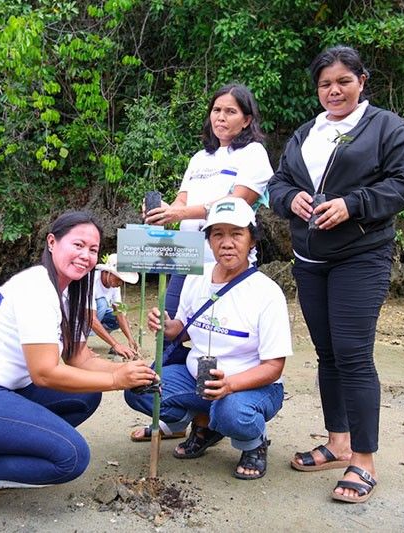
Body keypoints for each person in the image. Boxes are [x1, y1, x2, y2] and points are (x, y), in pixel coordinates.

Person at [0, 211, 157, 526]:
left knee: (86, 396)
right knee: (71, 458)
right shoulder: (36, 287)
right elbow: (44, 373)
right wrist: (116, 378)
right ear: (52, 242)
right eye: (78, 244)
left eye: (92, 250)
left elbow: (80, 359)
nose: (85, 255)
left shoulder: (66, 292)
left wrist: (130, 374)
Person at [267, 45, 404, 503]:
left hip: (361, 255)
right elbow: (278, 182)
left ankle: (364, 460)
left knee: (354, 354)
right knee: (328, 354)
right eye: (325, 84)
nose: (333, 91)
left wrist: (353, 203)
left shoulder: (386, 128)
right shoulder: (306, 132)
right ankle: (338, 443)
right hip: (310, 259)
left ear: (362, 80)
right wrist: (289, 198)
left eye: (343, 82)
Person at [126, 197, 293, 480]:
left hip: (252, 387)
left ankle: (254, 443)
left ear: (252, 240)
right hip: (197, 379)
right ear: (209, 240)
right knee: (138, 389)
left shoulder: (267, 293)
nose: (226, 242)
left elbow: (273, 367)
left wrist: (230, 385)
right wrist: (167, 326)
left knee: (231, 411)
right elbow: (184, 328)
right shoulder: (197, 278)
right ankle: (204, 424)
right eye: (218, 234)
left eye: (236, 234)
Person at [142, 83, 274, 365]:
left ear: (247, 119)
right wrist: (163, 211)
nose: (221, 117)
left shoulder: (254, 154)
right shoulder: (199, 158)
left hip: (227, 261)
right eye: (216, 110)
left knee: (216, 332)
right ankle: (186, 393)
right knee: (168, 327)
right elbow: (181, 201)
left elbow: (234, 203)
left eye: (230, 111)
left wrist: (178, 214)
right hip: (185, 257)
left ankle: (219, 390)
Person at [90, 253, 139, 359]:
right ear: (107, 272)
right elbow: (91, 318)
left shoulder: (115, 286)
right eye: (118, 279)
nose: (120, 283)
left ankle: (99, 333)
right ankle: (80, 342)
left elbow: (120, 312)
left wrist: (130, 339)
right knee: (102, 304)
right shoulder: (92, 281)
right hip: (78, 317)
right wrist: (116, 345)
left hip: (96, 315)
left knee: (118, 317)